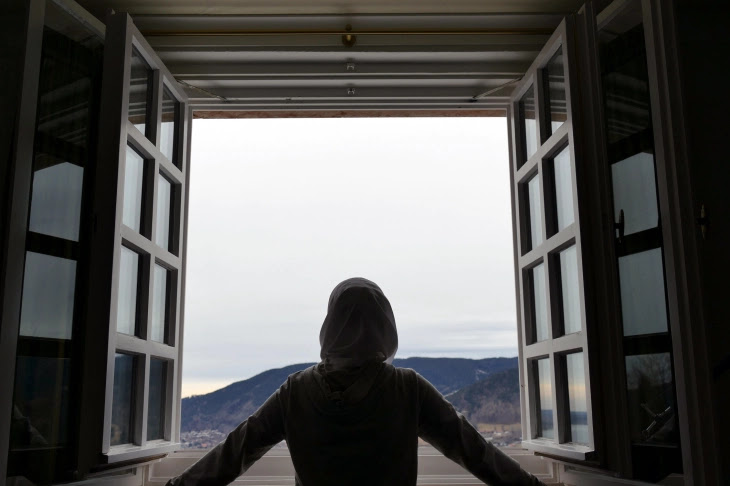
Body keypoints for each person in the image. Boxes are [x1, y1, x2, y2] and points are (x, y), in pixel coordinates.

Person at [166, 277, 545, 486]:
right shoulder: (407, 388)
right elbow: (474, 452)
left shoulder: (295, 391)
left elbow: (234, 453)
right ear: (386, 327)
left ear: (329, 326)